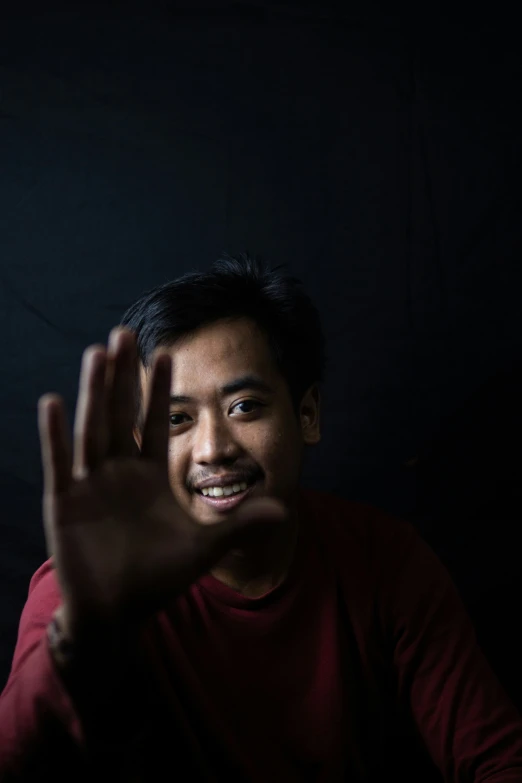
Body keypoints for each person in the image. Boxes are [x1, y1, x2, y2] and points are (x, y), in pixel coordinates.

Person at [0, 255, 521, 782]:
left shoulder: (384, 560)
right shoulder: (92, 584)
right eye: (176, 420)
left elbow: (498, 758)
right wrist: (80, 642)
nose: (212, 449)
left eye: (244, 406)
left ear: (307, 415)